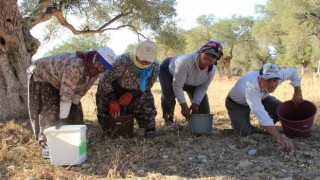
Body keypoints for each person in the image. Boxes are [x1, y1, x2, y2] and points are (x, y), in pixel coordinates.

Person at [27, 47, 116, 158]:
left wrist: (73, 106)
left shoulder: (95, 72)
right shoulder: (76, 65)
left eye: (104, 67)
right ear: (95, 58)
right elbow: (67, 93)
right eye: (100, 63)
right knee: (50, 107)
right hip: (42, 74)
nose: (101, 68)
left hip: (58, 80)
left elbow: (79, 91)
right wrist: (63, 118)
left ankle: (75, 139)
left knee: (76, 110)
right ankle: (47, 143)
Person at [225, 63, 303, 152]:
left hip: (262, 98)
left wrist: (298, 92)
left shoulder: (279, 75)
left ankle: (267, 128)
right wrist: (280, 138)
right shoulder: (251, 88)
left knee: (281, 109)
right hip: (237, 103)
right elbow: (262, 116)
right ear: (260, 78)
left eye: (275, 80)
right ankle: (242, 123)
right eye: (268, 80)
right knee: (244, 132)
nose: (273, 84)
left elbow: (293, 72)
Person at [96, 40, 159, 138]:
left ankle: (149, 128)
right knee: (103, 95)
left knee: (146, 97)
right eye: (142, 58)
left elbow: (147, 86)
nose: (144, 62)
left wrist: (132, 94)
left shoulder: (154, 65)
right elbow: (106, 80)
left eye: (148, 60)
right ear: (136, 53)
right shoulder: (123, 61)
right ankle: (107, 127)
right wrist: (112, 99)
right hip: (114, 88)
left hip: (136, 91)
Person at [158, 40, 224, 130]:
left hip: (192, 80)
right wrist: (184, 106)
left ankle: (196, 125)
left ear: (216, 59)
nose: (209, 57)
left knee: (203, 111)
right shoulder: (185, 62)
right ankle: (168, 120)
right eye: (208, 53)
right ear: (201, 51)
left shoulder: (212, 70)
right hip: (168, 71)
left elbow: (203, 87)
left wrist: (195, 104)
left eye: (214, 56)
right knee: (169, 95)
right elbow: (177, 86)